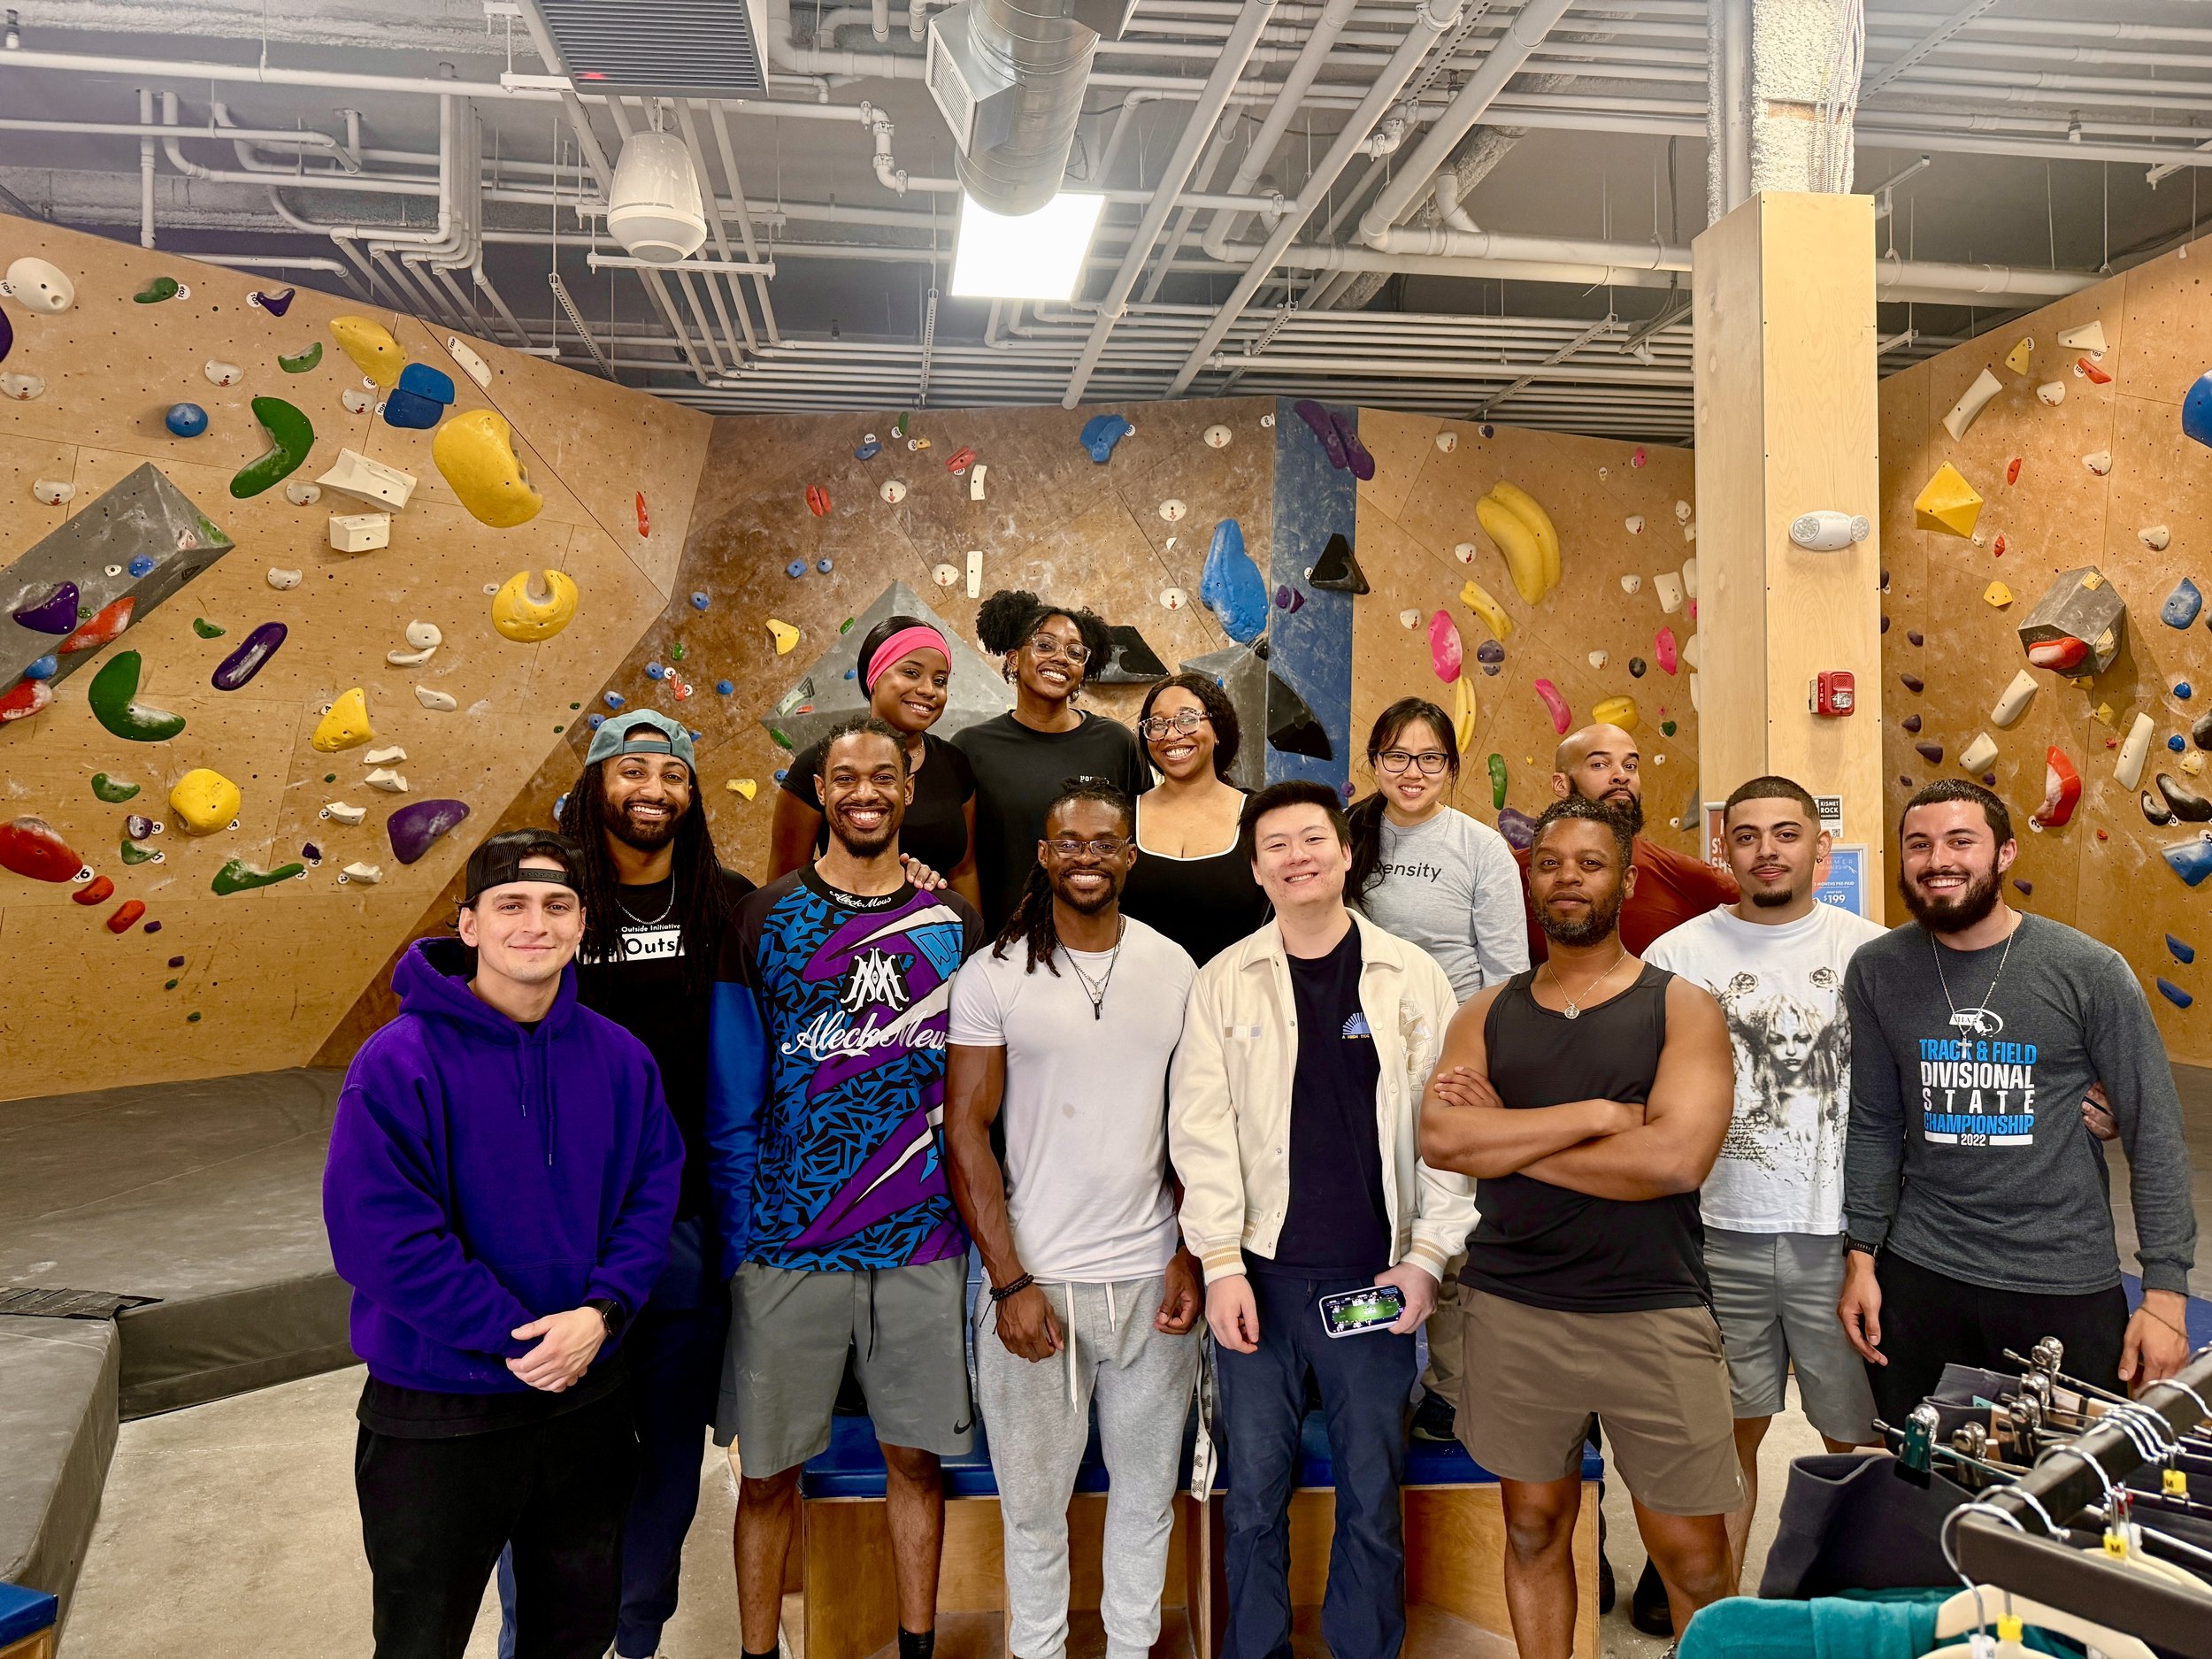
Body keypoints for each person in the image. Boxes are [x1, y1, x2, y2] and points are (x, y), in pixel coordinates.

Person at [325, 830, 685, 1659]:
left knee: (573, 1633)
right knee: (420, 1639)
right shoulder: (395, 1062)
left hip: (583, 1395)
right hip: (438, 1406)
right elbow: (379, 1235)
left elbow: (650, 1196)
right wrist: (517, 1335)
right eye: (511, 904)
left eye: (557, 905)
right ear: (469, 925)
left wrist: (599, 1312)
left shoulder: (620, 1059)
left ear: (582, 923)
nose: (536, 923)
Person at [1423, 796, 1740, 1656]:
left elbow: (1673, 1162)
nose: (1567, 877)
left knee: (1696, 1557)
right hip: (1514, 1307)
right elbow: (1444, 1137)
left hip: (1652, 1309)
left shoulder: (1682, 1009)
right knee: (1531, 1526)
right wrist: (1601, 1115)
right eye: (1550, 862)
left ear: (1626, 879)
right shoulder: (1485, 1013)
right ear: (1531, 879)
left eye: (1589, 863)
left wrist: (1511, 1140)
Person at [1168, 781, 1474, 1659]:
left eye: (1313, 839)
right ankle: (1254, 1649)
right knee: (1254, 1492)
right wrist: (1220, 1263)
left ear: (1345, 855)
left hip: (1373, 1282)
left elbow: (1444, 1134)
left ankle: (1364, 1646)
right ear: (1257, 868)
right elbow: (1201, 1134)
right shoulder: (1223, 981)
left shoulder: (1411, 976)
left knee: (1372, 1491)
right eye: (1276, 846)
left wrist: (1426, 1256)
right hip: (1261, 1280)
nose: (1296, 856)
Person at [473, 715, 754, 1659]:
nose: (652, 788)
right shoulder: (549, 907)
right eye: (630, 769)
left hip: (680, 1231)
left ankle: (633, 1637)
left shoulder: (729, 906)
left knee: (669, 1461)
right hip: (560, 1238)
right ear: (594, 785)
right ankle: (539, 1641)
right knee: (552, 1466)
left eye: (672, 773)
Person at [706, 715, 987, 1659]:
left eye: (883, 776)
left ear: (909, 793)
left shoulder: (955, 926)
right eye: (843, 778)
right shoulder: (764, 920)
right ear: (818, 794)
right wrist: (744, 1238)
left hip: (920, 1239)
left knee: (916, 1462)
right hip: (789, 1243)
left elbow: (979, 1094)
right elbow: (732, 1092)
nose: (864, 791)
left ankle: (916, 1648)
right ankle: (756, 1654)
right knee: (768, 1474)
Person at [1839, 780, 2198, 1425]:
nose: (1937, 859)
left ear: (2004, 853)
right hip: (1921, 1272)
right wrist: (1861, 1255)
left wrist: (2166, 1293)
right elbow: (1874, 1121)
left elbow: (2155, 1132)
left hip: (2060, 1279)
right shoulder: (1877, 969)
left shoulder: (2088, 971)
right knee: (1923, 1482)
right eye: (1918, 844)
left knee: (2064, 1495)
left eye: (1960, 841)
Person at [945, 781, 1203, 1659]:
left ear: (1129, 857)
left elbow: (1197, 1126)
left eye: (1106, 842)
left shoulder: (1175, 968)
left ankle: (1130, 1650)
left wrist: (1193, 1255)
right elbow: (965, 1130)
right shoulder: (991, 975)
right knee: (1032, 1507)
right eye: (1070, 842)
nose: (1088, 855)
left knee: (1143, 1495)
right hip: (1036, 1283)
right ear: (1045, 855)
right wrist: (1009, 1280)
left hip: (1151, 1279)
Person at [1641, 775, 1884, 1581]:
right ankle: (1720, 1622)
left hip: (1834, 1241)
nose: (1767, 850)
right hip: (1716, 1236)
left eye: (1787, 833)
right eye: (1747, 835)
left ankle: (1843, 1605)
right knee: (1727, 1441)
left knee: (1853, 1437)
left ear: (1820, 847)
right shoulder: (1676, 957)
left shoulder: (1868, 952)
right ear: (1724, 848)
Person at [1343, 696, 1529, 1445]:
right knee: (1361, 1222)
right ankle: (1358, 1373)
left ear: (1451, 768)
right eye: (1396, 756)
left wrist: (1486, 1074)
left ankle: (1447, 1385)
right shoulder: (1348, 836)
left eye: (1428, 759)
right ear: (1375, 763)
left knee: (1445, 1226)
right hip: (1354, 1059)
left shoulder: (1480, 848)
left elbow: (1507, 972)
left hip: (1449, 1067)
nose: (1412, 772)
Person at [956, 588, 1150, 933]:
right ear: (1014, 658)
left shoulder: (1115, 742)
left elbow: (1138, 847)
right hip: (1008, 944)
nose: (1061, 658)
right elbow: (963, 864)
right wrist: (979, 944)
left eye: (1074, 652)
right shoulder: (973, 748)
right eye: (1045, 645)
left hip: (1102, 940)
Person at [772, 613, 981, 910]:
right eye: (911, 672)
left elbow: (964, 871)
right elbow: (784, 884)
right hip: (843, 942)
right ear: (875, 676)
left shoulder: (955, 764)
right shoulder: (817, 765)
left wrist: (975, 948)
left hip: (939, 943)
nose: (928, 690)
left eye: (940, 680)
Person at [1517, 722, 1738, 960]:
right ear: (1562, 784)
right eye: (1599, 764)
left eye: (1630, 766)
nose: (1621, 776)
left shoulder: (1685, 875)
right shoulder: (1508, 872)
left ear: (1628, 880)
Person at [1119, 672, 1269, 965]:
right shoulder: (1119, 814)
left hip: (1234, 1000)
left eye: (1187, 719)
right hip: (1136, 999)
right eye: (1158, 724)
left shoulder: (1261, 815)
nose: (1172, 735)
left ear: (1217, 731)